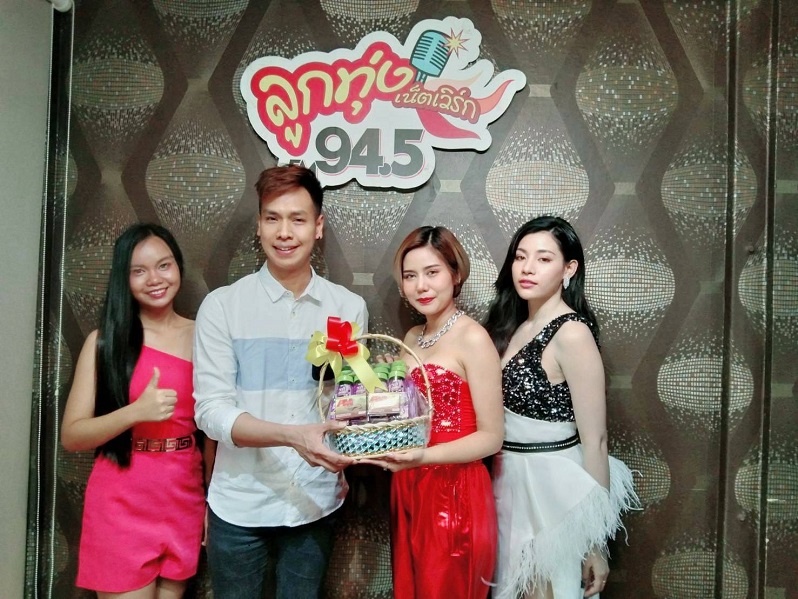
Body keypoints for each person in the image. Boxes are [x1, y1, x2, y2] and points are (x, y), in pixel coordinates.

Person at [193, 164, 368, 599]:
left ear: (318, 226)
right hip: (239, 503)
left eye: (298, 219)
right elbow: (211, 412)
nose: (284, 232)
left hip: (314, 500)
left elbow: (346, 399)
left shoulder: (347, 307)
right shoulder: (222, 306)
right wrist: (292, 436)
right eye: (272, 218)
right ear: (259, 225)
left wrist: (367, 426)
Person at [484, 216, 639, 599]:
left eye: (543, 258)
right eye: (520, 257)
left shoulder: (572, 332)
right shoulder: (512, 327)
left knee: (552, 588)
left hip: (552, 486)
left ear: (569, 269)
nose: (528, 268)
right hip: (507, 480)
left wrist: (595, 543)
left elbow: (596, 440)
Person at [62, 223, 212, 598]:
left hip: (183, 495)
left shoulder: (206, 335)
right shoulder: (105, 342)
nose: (155, 279)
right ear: (124, 279)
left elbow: (215, 432)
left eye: (164, 265)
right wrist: (135, 412)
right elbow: (73, 435)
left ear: (178, 267)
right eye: (139, 271)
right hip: (122, 501)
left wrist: (213, 502)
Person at [362, 226, 504, 599]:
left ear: (455, 274)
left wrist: (423, 457)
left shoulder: (473, 338)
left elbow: (492, 437)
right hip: (409, 484)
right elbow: (409, 414)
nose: (421, 286)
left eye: (432, 272)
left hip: (454, 492)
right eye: (410, 276)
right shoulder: (411, 337)